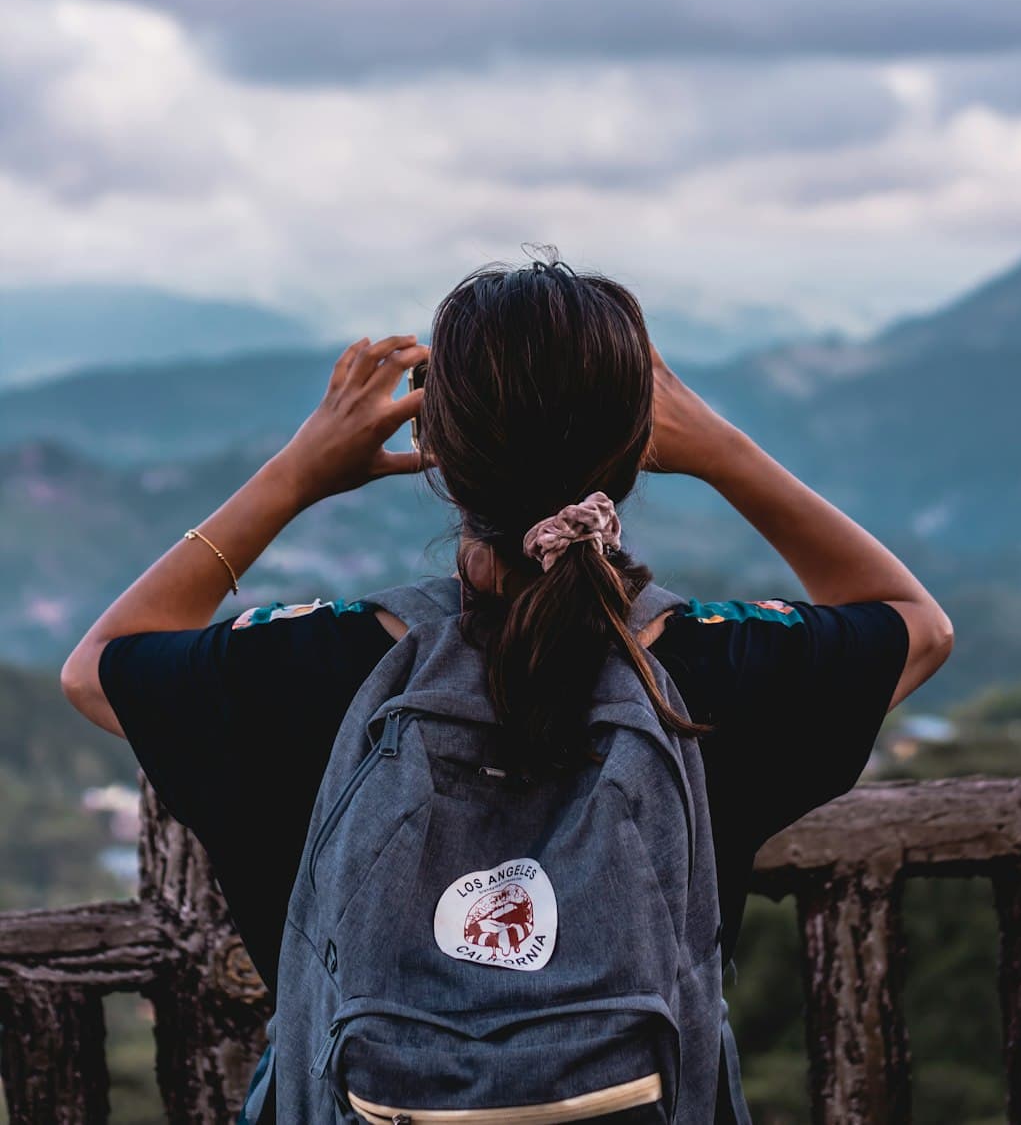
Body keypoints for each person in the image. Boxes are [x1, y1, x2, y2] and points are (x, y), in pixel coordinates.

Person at [62, 256, 954, 1122]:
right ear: (638, 446)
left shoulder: (312, 670)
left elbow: (101, 663)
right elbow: (916, 624)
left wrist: (296, 474)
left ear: (434, 451)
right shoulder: (709, 673)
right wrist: (724, 451)